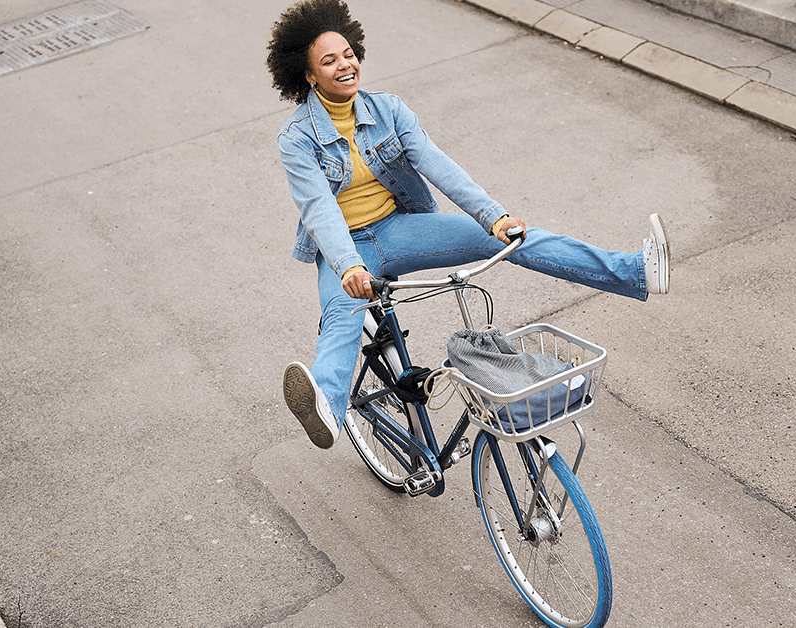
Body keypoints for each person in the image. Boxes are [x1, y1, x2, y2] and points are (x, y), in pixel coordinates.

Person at [266, 0, 669, 449]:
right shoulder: (297, 138)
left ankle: (633, 270)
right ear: (308, 75)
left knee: (517, 240)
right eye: (329, 61)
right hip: (345, 251)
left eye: (348, 54)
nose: (345, 65)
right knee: (343, 314)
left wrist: (493, 216)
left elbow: (439, 166)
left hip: (398, 231)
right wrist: (347, 266)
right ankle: (328, 408)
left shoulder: (389, 111)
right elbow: (320, 210)